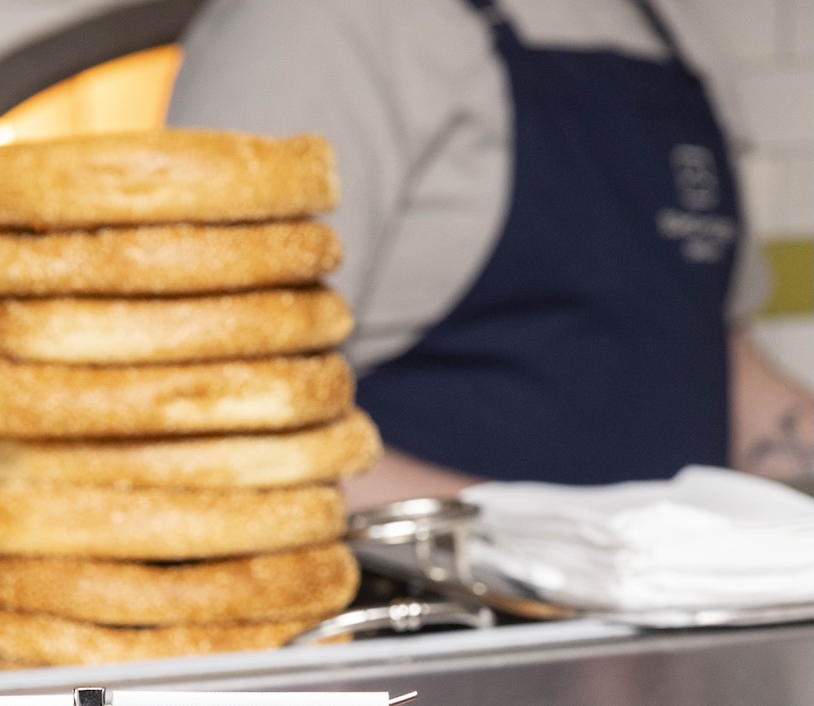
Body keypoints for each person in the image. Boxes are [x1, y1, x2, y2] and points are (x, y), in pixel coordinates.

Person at [169, 0, 814, 504]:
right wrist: (569, 550)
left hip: (668, 620)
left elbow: (719, 364)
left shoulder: (670, 28)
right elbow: (205, 406)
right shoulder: (310, 22)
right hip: (422, 622)